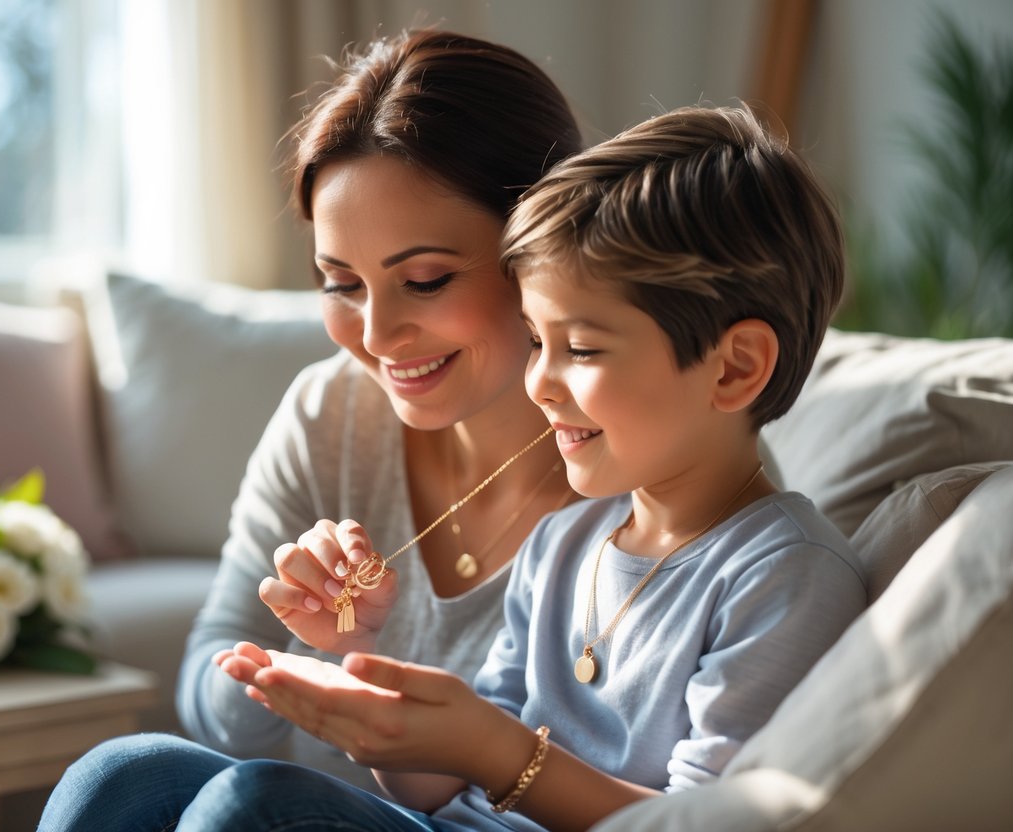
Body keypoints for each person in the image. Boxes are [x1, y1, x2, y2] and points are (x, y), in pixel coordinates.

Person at [99, 103, 868, 832]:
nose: (540, 383)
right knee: (127, 772)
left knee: (251, 805)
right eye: (536, 342)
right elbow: (442, 787)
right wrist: (373, 700)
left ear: (734, 369)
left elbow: (707, 820)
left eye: (582, 349)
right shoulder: (566, 542)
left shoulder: (781, 573)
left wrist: (493, 751)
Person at [37, 27, 585, 831]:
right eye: (341, 284)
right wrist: (303, 661)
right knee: (120, 775)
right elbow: (209, 671)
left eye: (424, 280)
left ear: (539, 245)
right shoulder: (333, 410)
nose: (376, 333)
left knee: (247, 805)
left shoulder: (636, 447)